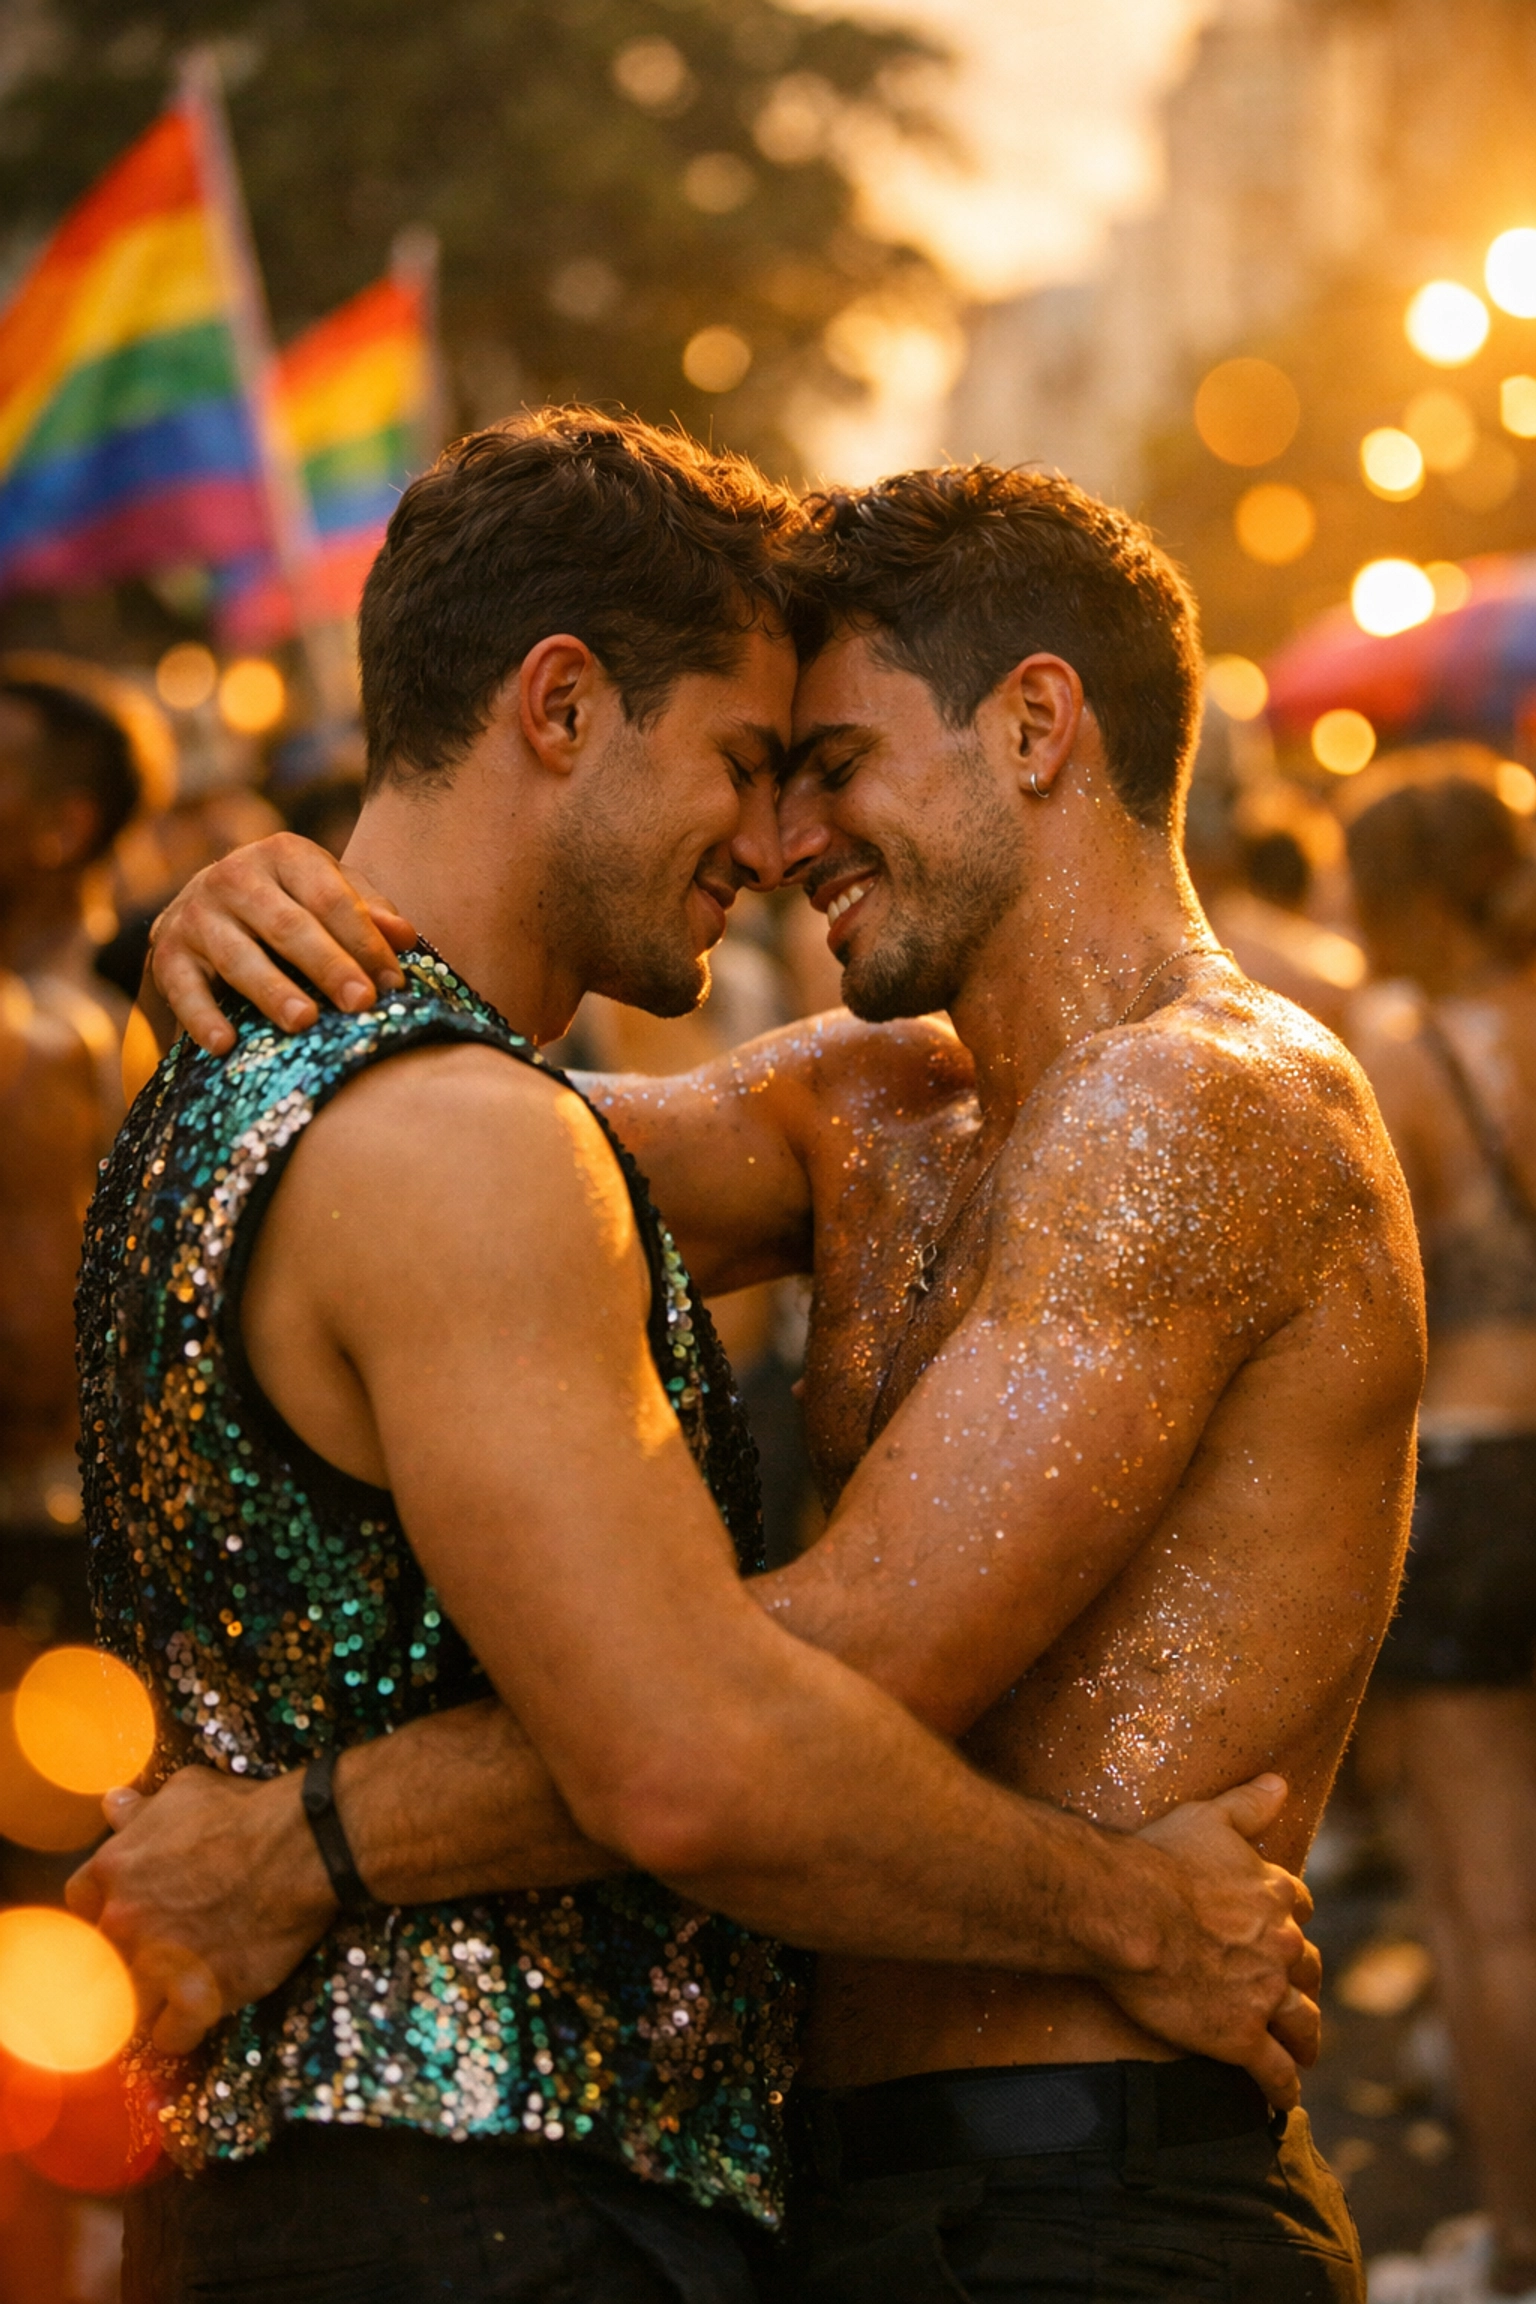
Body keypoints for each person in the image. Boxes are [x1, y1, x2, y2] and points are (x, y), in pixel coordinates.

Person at [118, 454, 1420, 2301]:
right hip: (835, 2196)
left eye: (831, 766)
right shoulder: (869, 1107)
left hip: (1091, 2205)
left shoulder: (1200, 1103)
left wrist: (308, 1842)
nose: (785, 837)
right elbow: (393, 1167)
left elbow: (841, 1665)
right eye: (764, 770)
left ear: (1037, 726)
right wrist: (251, 924)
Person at [1345, 776, 1536, 2303]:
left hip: (1473, 1489)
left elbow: (1369, 1317)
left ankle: (1522, 2245)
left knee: (1490, 1910)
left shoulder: (1403, 1062)